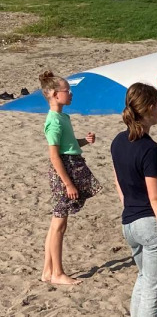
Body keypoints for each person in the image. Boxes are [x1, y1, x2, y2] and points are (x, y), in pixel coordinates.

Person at [111, 83, 157, 316]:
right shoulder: (150, 151)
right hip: (150, 224)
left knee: (143, 279)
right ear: (150, 108)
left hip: (129, 222)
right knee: (153, 289)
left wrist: (128, 205)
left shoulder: (118, 142)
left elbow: (118, 182)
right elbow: (156, 196)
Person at [39, 71, 102, 285]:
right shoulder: (53, 122)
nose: (71, 93)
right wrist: (68, 183)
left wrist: (83, 141)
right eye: (67, 91)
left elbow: (68, 145)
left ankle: (48, 271)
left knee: (56, 224)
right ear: (56, 95)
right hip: (63, 173)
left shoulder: (62, 117)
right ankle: (57, 273)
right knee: (59, 225)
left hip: (69, 166)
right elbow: (55, 156)